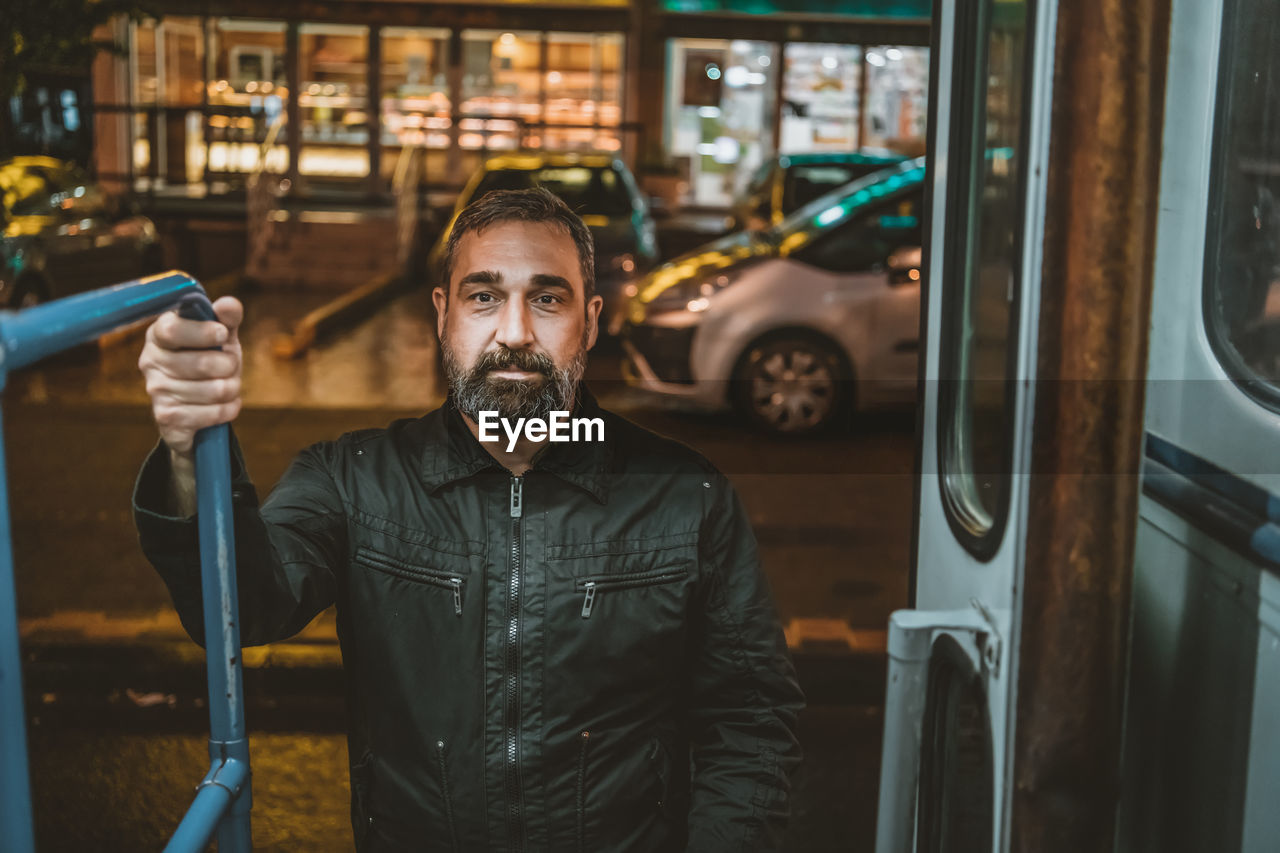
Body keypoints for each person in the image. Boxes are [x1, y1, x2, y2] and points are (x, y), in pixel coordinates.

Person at [133, 187, 804, 851]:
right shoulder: (353, 479)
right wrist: (192, 450)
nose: (513, 332)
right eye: (483, 296)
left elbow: (750, 721)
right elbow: (243, 603)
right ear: (442, 313)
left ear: (592, 320)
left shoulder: (687, 495)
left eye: (547, 298)